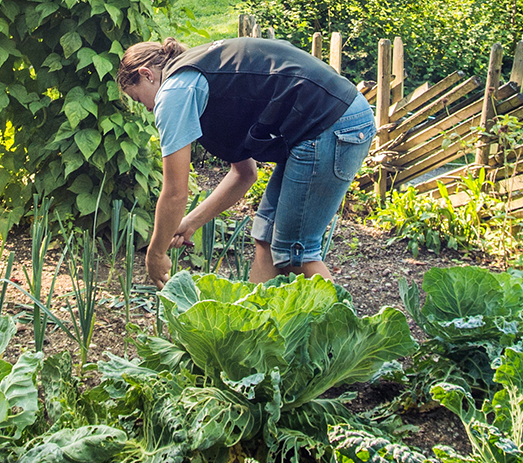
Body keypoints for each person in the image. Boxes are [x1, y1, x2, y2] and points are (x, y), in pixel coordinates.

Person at [117, 36, 375, 286]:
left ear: (147, 74)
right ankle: (256, 326)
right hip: (325, 121)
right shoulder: (196, 77)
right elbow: (244, 174)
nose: (148, 109)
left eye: (139, 99)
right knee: (267, 237)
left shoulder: (174, 91)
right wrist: (190, 224)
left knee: (297, 251)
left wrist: (156, 254)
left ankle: (341, 328)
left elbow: (175, 193)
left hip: (332, 122)